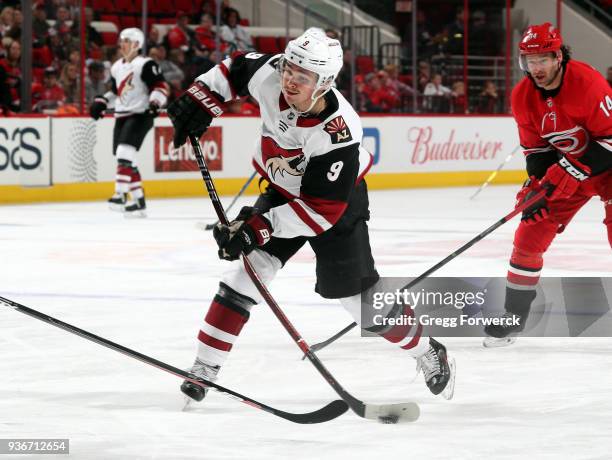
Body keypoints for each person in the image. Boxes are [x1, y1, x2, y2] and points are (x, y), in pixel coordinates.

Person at [167, 29, 456, 404]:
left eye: (302, 77)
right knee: (246, 274)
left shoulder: (339, 133)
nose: (289, 80)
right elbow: (234, 68)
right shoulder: (271, 74)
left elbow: (320, 212)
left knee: (360, 303)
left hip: (335, 203)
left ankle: (426, 350)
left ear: (324, 83)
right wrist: (202, 98)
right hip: (285, 187)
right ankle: (204, 369)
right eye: (289, 69)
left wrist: (257, 228)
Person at [483, 23, 612, 347]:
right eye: (529, 60)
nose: (536, 68)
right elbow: (537, 152)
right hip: (572, 174)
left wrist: (569, 169)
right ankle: (514, 317)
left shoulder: (588, 83)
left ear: (558, 56)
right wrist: (536, 186)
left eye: (542, 60)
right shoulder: (522, 97)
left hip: (607, 169)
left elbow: (609, 139)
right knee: (529, 233)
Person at [89, 28, 169, 217]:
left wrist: (155, 102)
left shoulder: (146, 64)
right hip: (122, 115)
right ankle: (139, 201)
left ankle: (121, 194)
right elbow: (117, 90)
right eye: (121, 40)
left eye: (125, 40)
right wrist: (101, 101)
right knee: (125, 157)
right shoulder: (117, 66)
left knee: (125, 152)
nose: (121, 43)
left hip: (140, 115)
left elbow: (160, 86)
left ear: (136, 44)